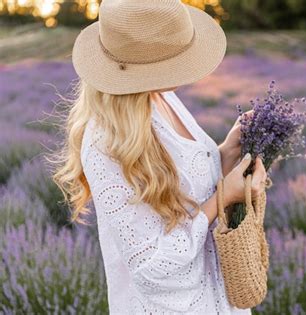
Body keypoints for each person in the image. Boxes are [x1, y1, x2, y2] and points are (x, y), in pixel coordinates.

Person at [52, 0, 267, 314]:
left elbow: (182, 184)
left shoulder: (161, 96)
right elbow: (152, 268)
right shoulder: (104, 143)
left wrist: (226, 152)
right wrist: (224, 197)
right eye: (173, 60)